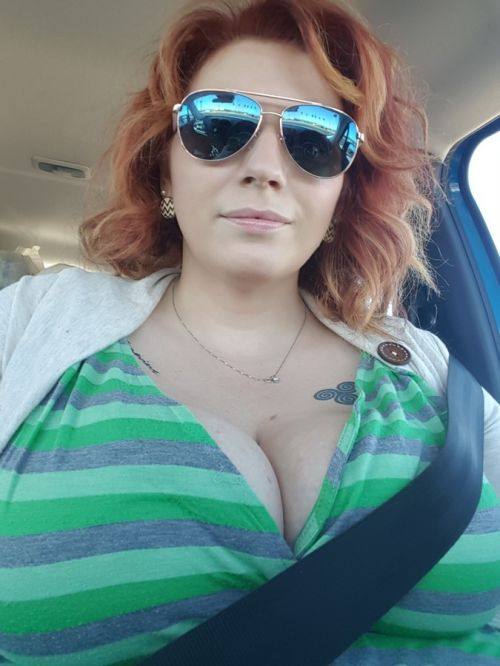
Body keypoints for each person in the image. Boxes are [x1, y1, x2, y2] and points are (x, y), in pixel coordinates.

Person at [0, 0, 499, 663]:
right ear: (165, 166)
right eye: (219, 125)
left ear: (342, 190)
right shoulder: (31, 323)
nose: (265, 167)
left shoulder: (427, 367)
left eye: (315, 139)